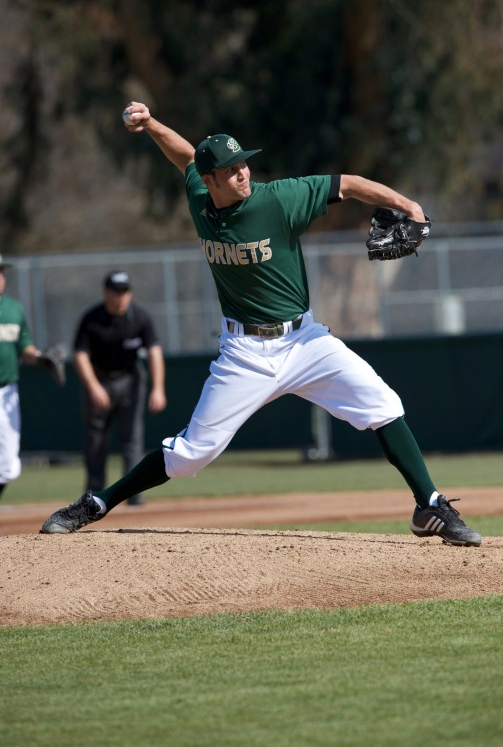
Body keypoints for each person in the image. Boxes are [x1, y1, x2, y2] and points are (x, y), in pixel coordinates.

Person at [40, 102, 482, 546]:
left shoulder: (279, 199)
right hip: (244, 352)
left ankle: (429, 505)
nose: (243, 173)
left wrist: (409, 204)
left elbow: (347, 184)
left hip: (305, 341)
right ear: (210, 181)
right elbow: (184, 157)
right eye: (231, 170)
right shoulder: (199, 194)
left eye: (244, 164)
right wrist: (153, 125)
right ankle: (96, 503)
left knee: (382, 402)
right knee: (192, 455)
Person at [73, 270, 167, 505]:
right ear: (106, 293)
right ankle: (93, 494)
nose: (121, 297)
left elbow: (154, 352)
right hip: (99, 378)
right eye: (116, 292)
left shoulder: (140, 318)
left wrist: (158, 388)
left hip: (130, 380)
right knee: (95, 440)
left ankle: (133, 494)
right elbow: (80, 355)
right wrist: (94, 387)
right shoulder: (92, 319)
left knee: (132, 438)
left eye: (125, 292)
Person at [0, 255, 60, 499]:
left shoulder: (13, 309)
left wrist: (41, 357)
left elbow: (25, 348)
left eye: (2, 272)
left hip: (6, 393)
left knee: (8, 465)